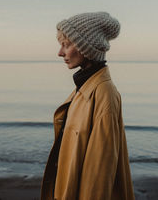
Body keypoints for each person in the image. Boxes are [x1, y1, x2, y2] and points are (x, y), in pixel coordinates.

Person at [40, 12, 135, 200]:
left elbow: (99, 174)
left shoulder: (103, 94)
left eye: (66, 45)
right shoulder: (83, 88)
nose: (60, 53)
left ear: (86, 48)